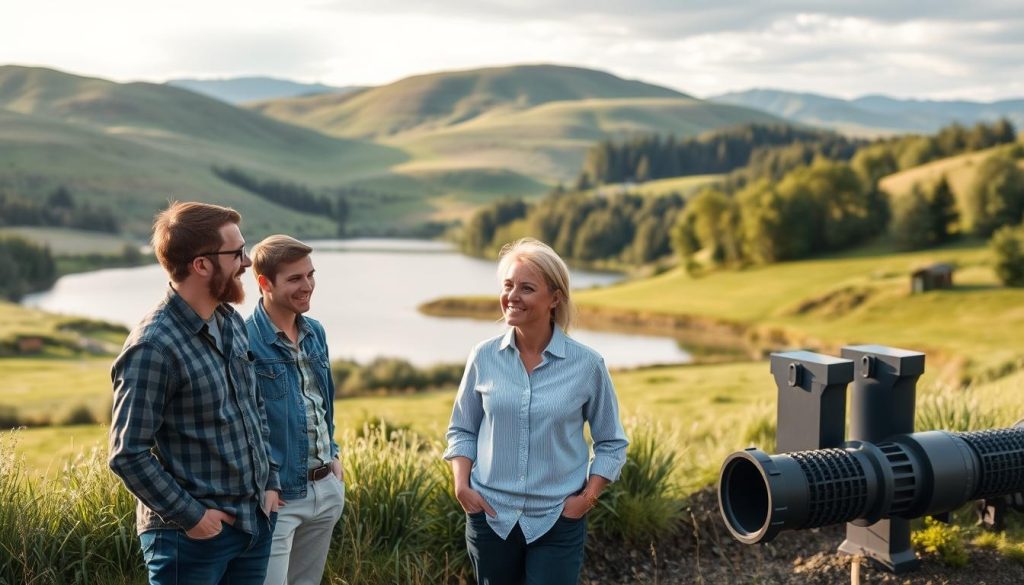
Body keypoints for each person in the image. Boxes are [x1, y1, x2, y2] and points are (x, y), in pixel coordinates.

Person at [109, 201, 281, 585]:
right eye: (237, 253)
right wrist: (194, 518)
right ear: (201, 265)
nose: (248, 262)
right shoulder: (152, 347)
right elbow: (127, 454)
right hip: (190, 541)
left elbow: (253, 407)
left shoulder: (230, 320)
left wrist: (269, 483)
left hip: (254, 524)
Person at [444, 237, 629, 585]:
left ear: (555, 298)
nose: (512, 296)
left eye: (527, 288)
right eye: (508, 285)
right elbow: (462, 429)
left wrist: (587, 499)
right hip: (490, 518)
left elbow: (611, 442)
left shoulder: (587, 365)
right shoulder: (483, 357)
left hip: (557, 521)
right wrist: (461, 486)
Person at [246, 235, 344, 585]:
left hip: (325, 489)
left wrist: (333, 455)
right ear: (264, 283)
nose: (308, 286)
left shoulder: (315, 332)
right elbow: (246, 425)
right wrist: (264, 485)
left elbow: (322, 402)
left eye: (310, 275)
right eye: (295, 279)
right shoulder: (244, 341)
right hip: (279, 499)